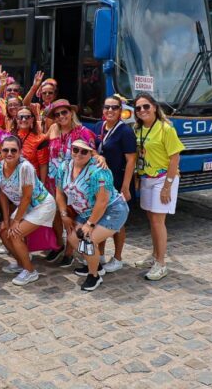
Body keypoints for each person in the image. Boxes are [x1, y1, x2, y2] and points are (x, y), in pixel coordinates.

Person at [55, 139, 129, 291]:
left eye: (84, 151)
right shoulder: (64, 167)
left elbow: (102, 202)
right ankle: (95, 264)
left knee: (88, 241)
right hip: (87, 212)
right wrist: (63, 213)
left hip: (112, 210)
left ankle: (94, 275)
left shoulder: (99, 171)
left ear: (91, 153)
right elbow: (59, 192)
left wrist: (89, 225)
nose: (79, 154)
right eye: (76, 150)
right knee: (73, 238)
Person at [133, 92, 184, 281]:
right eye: (138, 108)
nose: (142, 110)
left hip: (163, 179)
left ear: (154, 107)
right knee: (151, 218)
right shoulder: (138, 130)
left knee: (158, 221)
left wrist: (167, 187)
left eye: (146, 106)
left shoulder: (166, 129)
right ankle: (154, 256)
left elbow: (175, 157)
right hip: (146, 177)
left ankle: (161, 263)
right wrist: (138, 176)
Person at [0, 136, 56, 285]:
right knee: (3, 231)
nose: (9, 153)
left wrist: (15, 221)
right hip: (26, 206)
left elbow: (27, 197)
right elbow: (2, 193)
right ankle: (21, 262)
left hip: (42, 205)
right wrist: (7, 219)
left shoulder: (25, 167)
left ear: (20, 151)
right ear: (1, 151)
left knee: (15, 234)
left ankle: (30, 271)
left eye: (13, 150)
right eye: (5, 150)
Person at [44, 99, 96, 267]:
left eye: (64, 112)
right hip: (54, 180)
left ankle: (70, 250)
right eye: (57, 114)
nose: (61, 116)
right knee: (57, 215)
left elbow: (93, 154)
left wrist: (100, 157)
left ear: (71, 112)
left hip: (74, 182)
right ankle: (59, 244)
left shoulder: (83, 132)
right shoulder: (53, 129)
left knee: (71, 215)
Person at [94, 95, 137, 273]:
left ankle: (118, 258)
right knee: (100, 218)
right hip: (101, 182)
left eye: (114, 108)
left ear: (121, 111)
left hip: (118, 181)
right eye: (107, 107)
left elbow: (131, 160)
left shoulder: (125, 131)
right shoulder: (99, 126)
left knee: (118, 222)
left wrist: (126, 186)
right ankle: (101, 254)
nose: (110, 111)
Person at [15, 105, 48, 182]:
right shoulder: (10, 136)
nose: (23, 119)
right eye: (20, 117)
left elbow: (43, 165)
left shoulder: (40, 139)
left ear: (32, 119)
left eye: (27, 117)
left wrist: (42, 185)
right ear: (16, 119)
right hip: (13, 180)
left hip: (32, 181)